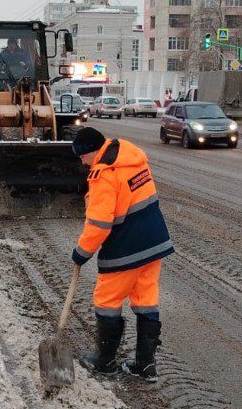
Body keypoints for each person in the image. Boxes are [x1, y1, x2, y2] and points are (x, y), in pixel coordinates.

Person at [69, 126, 174, 382]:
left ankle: (104, 360)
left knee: (107, 301)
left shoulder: (104, 176)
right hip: (154, 241)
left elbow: (99, 223)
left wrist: (81, 252)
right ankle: (145, 364)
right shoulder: (130, 158)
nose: (81, 162)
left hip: (126, 247)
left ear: (92, 152)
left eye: (82, 157)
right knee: (145, 298)